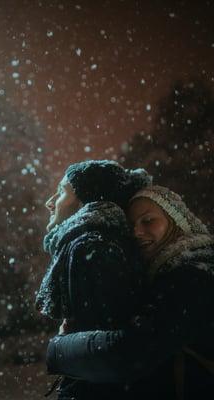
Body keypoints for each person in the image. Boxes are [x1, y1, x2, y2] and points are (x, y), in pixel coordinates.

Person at [45, 185, 214, 399]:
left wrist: (58, 349)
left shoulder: (194, 279)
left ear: (178, 224)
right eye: (131, 225)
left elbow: (127, 355)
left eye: (148, 221)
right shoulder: (186, 274)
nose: (136, 232)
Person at [36, 160, 151, 399]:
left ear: (86, 199)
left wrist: (62, 346)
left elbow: (102, 356)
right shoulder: (96, 241)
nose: (49, 202)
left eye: (61, 192)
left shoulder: (90, 246)